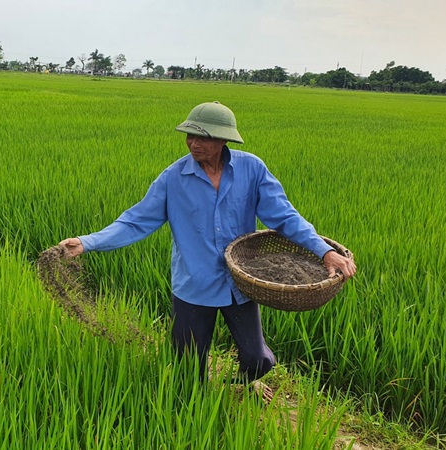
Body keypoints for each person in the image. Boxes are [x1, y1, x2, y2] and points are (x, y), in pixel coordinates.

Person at [59, 101, 356, 386]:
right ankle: (196, 412)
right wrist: (87, 242)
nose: (193, 143)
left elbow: (284, 217)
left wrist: (324, 251)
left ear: (223, 140)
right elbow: (135, 221)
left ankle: (241, 382)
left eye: (202, 137)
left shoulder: (251, 170)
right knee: (187, 369)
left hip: (240, 285)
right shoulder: (173, 178)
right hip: (194, 286)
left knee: (258, 361)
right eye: (190, 135)